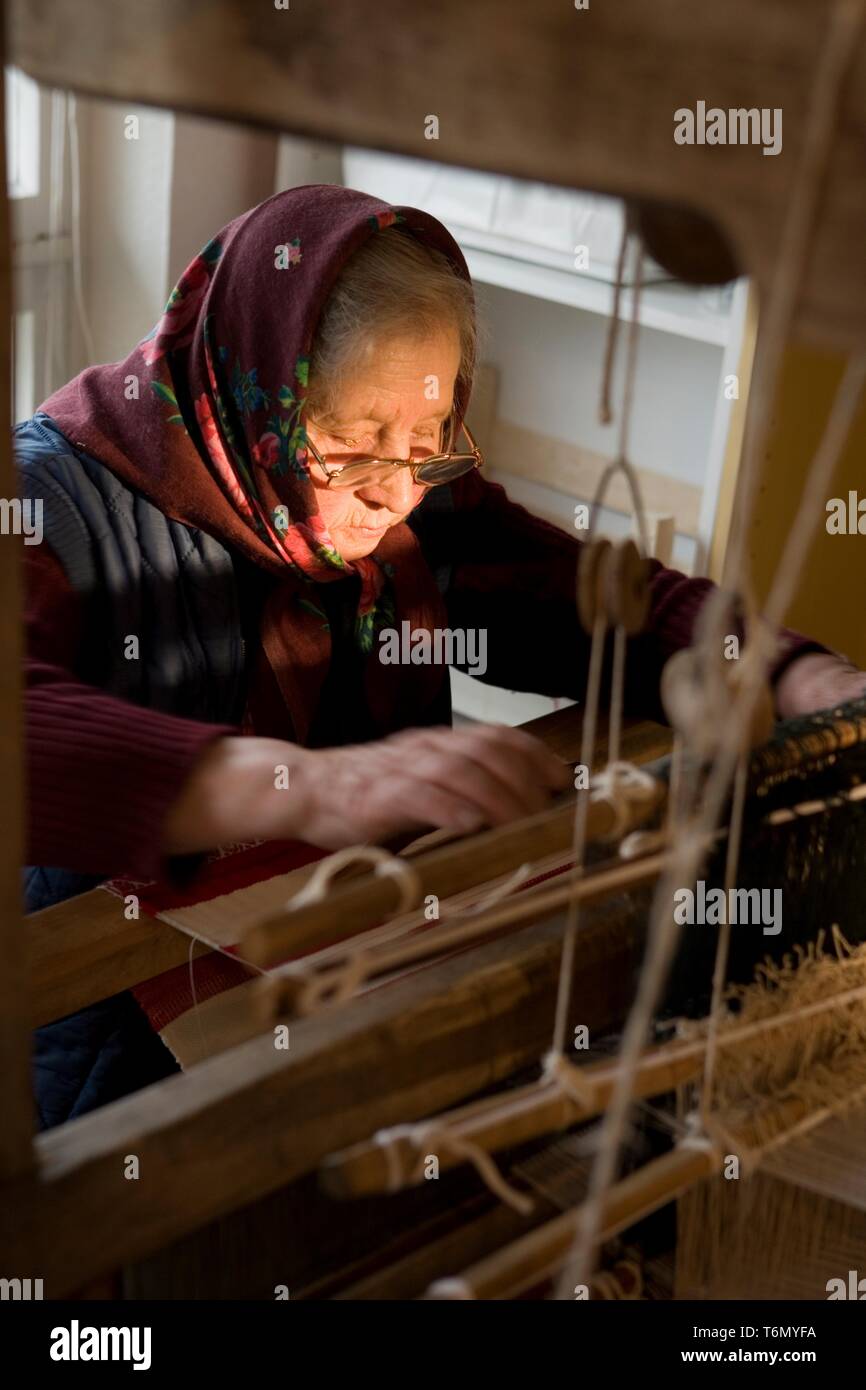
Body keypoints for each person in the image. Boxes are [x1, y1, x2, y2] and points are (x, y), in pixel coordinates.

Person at [18, 185, 864, 1127]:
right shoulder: (50, 504)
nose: (390, 498)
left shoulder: (412, 512)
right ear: (252, 384)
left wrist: (796, 673)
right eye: (349, 445)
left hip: (351, 1028)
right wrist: (315, 787)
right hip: (116, 1085)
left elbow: (597, 601)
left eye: (425, 445)